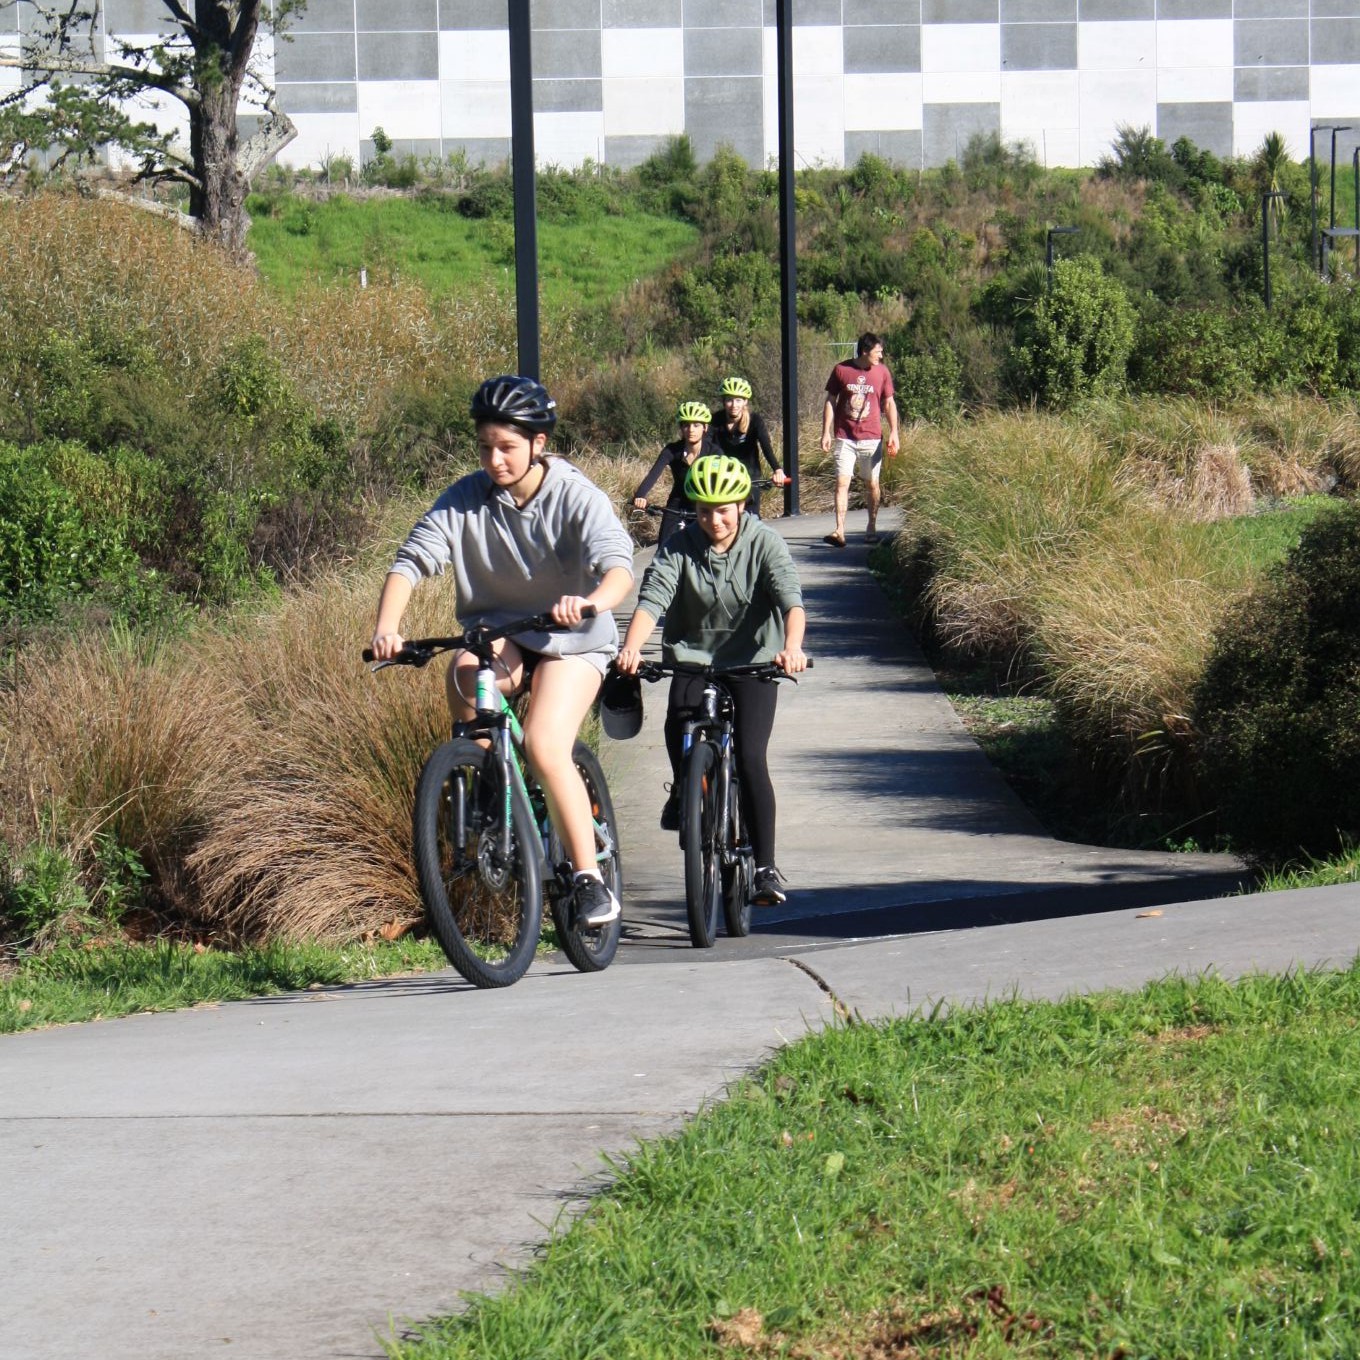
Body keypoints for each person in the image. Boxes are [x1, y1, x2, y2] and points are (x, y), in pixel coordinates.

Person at [370, 375, 635, 927]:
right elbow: (411, 560)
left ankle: (588, 878)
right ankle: (489, 787)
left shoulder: (575, 495)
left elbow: (618, 569)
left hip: (574, 641)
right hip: (504, 632)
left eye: (507, 447)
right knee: (463, 671)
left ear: (539, 443)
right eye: (485, 446)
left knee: (543, 745)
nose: (494, 460)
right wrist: (388, 627)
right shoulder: (466, 500)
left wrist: (588, 604)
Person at [616, 454, 807, 908]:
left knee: (751, 756)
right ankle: (685, 787)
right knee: (676, 722)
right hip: (692, 658)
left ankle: (763, 867)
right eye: (703, 510)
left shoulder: (765, 543)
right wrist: (630, 647)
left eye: (723, 509)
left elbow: (790, 600)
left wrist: (793, 647)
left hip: (754, 662)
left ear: (742, 504)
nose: (713, 519)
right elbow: (652, 598)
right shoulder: (679, 546)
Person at [820, 332, 900, 547]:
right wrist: (826, 431)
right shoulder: (841, 370)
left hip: (871, 438)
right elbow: (830, 400)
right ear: (865, 352)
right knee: (841, 482)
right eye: (877, 352)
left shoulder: (882, 372)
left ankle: (871, 526)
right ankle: (839, 530)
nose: (880, 356)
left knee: (872, 484)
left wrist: (894, 432)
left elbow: (889, 403)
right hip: (845, 436)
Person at [631, 401, 718, 546]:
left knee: (711, 548)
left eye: (696, 425)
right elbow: (653, 474)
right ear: (681, 428)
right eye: (686, 425)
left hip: (705, 503)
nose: (691, 429)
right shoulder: (672, 450)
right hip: (677, 504)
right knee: (664, 547)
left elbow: (726, 475)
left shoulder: (713, 452)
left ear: (705, 427)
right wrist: (640, 495)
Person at [708, 375, 789, 518]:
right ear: (723, 401)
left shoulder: (754, 420)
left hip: (749, 476)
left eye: (738, 400)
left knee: (752, 518)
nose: (734, 405)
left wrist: (777, 469)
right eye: (729, 400)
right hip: (723, 476)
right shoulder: (716, 420)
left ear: (745, 401)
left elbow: (766, 446)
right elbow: (707, 446)